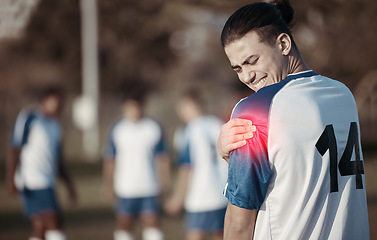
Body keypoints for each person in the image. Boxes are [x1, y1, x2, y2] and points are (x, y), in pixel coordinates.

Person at [217, 0, 370, 239]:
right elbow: (301, 175)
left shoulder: (256, 109)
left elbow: (240, 222)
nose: (247, 76)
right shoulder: (343, 94)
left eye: (252, 61)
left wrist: (231, 157)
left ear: (283, 43)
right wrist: (233, 158)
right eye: (237, 68)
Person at [6, 87, 77, 240]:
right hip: (32, 180)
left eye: (61, 102)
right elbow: (15, 148)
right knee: (54, 222)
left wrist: (69, 184)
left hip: (48, 181)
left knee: (40, 227)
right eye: (54, 101)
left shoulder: (56, 126)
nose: (58, 105)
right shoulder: (30, 117)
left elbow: (58, 160)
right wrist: (10, 179)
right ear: (44, 101)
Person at [102, 91, 170, 240]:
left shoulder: (153, 127)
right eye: (130, 107)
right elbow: (110, 160)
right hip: (125, 188)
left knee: (152, 225)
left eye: (137, 106)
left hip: (149, 187)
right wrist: (108, 185)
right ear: (124, 107)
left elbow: (162, 159)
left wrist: (164, 184)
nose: (134, 110)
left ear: (142, 106)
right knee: (124, 226)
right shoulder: (117, 129)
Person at [164, 89, 228, 240]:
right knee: (221, 235)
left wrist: (178, 197)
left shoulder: (187, 131)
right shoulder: (219, 124)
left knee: (195, 235)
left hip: (199, 197)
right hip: (223, 195)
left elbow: (186, 168)